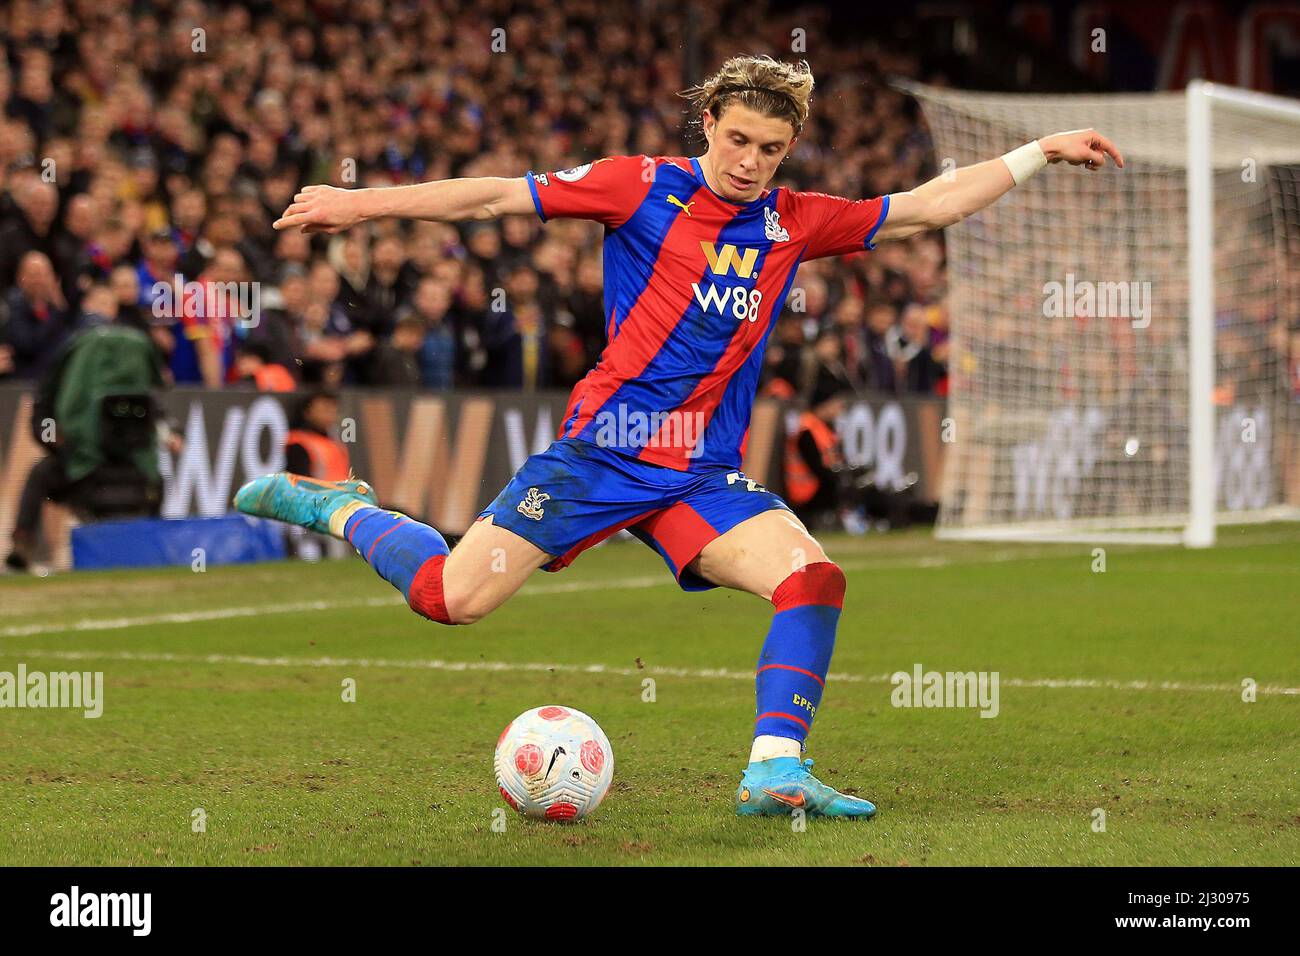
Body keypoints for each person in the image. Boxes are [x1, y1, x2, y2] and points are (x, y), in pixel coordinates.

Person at [235, 55, 1123, 819]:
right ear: (709, 124)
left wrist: (1039, 150)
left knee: (811, 575)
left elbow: (931, 207)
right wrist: (364, 206)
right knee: (446, 598)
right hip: (601, 454)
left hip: (699, 473)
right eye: (737, 140)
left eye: (770, 150)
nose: (750, 162)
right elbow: (499, 195)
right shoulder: (639, 185)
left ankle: (775, 766)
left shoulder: (794, 221)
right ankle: (345, 508)